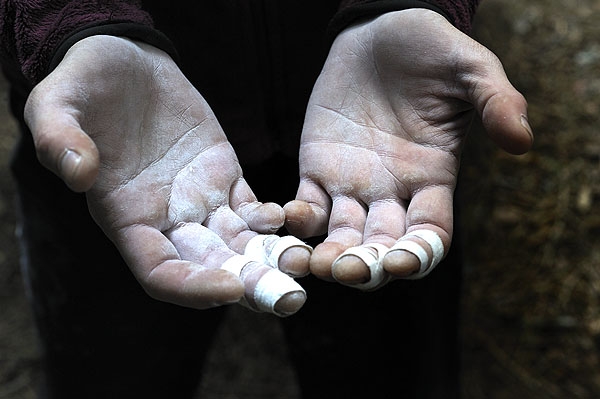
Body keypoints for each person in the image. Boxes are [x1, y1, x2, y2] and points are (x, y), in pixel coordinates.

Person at [0, 0, 533, 398]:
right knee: (113, 367)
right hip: (128, 144)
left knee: (387, 358)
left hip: (368, 126)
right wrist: (79, 24)